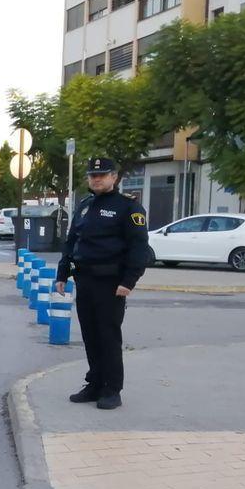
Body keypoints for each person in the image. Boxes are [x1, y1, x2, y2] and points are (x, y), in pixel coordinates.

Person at [55, 157, 148, 410]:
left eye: (102, 175)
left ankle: (112, 389)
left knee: (108, 336)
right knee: (90, 336)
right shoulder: (85, 206)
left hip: (111, 284)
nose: (96, 179)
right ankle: (94, 383)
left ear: (114, 177)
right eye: (92, 175)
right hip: (85, 280)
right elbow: (72, 241)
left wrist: (129, 281)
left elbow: (139, 248)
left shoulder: (128, 208)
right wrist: (62, 273)